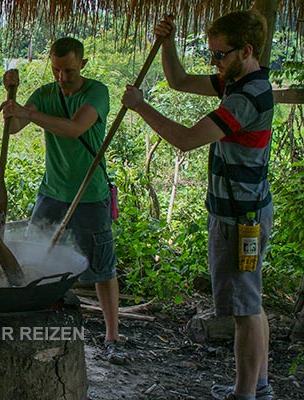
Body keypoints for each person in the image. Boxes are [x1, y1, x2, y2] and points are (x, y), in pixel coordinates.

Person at [121, 11, 274, 400]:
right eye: (212, 56)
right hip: (241, 210)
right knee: (251, 302)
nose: (215, 63)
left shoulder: (247, 96)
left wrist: (140, 107)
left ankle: (245, 394)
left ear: (247, 50)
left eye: (220, 55)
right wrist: (168, 45)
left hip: (241, 218)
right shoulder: (237, 79)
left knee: (244, 309)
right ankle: (258, 384)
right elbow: (179, 81)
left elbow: (186, 139)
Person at [0, 37, 125, 365]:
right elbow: (14, 127)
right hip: (52, 192)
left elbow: (74, 129)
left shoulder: (96, 92)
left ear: (82, 64)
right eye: (56, 70)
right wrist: (10, 100)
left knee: (102, 267)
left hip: (90, 193)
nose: (62, 77)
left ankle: (113, 336)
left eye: (69, 70)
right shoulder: (43, 95)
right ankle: (30, 320)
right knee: (33, 257)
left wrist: (27, 112)